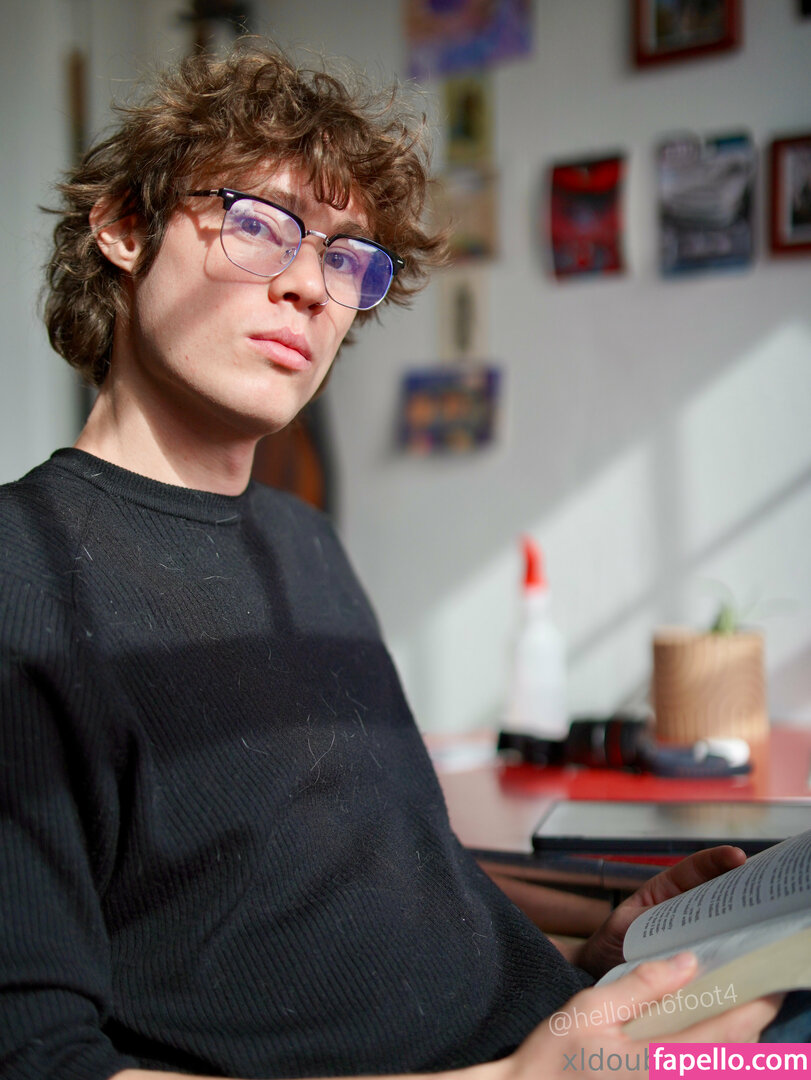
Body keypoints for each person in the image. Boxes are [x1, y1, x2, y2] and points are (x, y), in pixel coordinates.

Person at [0, 41, 783, 1080]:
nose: (309, 288)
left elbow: (361, 893)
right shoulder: (24, 579)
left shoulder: (300, 545)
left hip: (585, 1024)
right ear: (124, 229)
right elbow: (40, 1062)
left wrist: (588, 946)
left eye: (345, 259)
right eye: (258, 224)